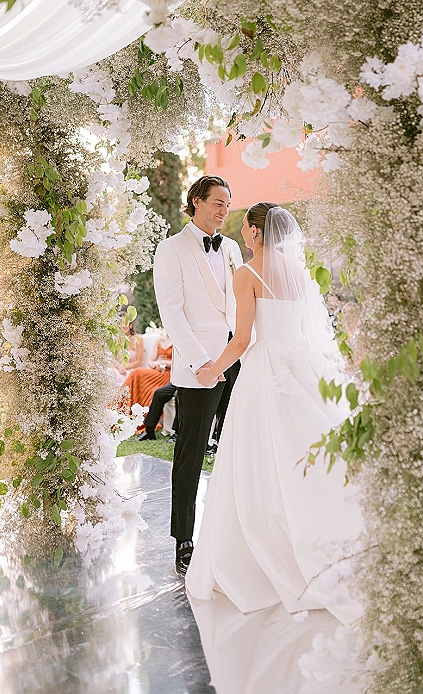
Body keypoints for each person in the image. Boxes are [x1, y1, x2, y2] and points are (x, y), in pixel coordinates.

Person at [186, 204, 363, 623]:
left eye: (246, 228)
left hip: (266, 370)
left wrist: (213, 367)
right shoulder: (299, 271)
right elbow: (306, 329)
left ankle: (266, 558)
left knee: (260, 461)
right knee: (307, 452)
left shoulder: (247, 274)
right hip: (302, 367)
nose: (242, 233)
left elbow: (244, 338)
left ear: (257, 234)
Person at [153, 175, 243, 575]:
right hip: (200, 368)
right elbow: (172, 312)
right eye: (218, 203)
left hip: (238, 361)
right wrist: (201, 362)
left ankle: (232, 535)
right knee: (190, 454)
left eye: (227, 204)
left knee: (238, 448)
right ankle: (184, 540)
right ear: (196, 202)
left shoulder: (233, 249)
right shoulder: (171, 249)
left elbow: (239, 306)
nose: (224, 211)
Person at [123, 328, 173, 410]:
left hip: (169, 374)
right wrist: (154, 365)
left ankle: (143, 414)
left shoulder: (178, 342)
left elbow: (179, 363)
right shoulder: (160, 340)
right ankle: (124, 406)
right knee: (136, 373)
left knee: (150, 389)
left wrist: (163, 362)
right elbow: (151, 361)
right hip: (158, 371)